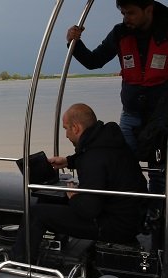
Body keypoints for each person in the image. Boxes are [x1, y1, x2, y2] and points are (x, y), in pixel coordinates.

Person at [11, 103, 148, 264]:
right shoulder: (111, 141)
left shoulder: (93, 159)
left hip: (115, 226)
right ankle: (53, 244)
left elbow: (89, 209)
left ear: (76, 128)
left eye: (66, 129)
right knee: (49, 198)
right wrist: (68, 161)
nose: (66, 135)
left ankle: (19, 262)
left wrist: (74, 196)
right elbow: (96, 157)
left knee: (36, 213)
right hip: (131, 217)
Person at [66, 0, 168, 212]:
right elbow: (94, 61)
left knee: (159, 171)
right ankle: (132, 210)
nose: (125, 18)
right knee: (122, 162)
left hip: (161, 117)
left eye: (131, 13)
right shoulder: (120, 33)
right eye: (123, 13)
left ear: (148, 9)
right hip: (131, 115)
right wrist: (75, 44)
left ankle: (157, 215)